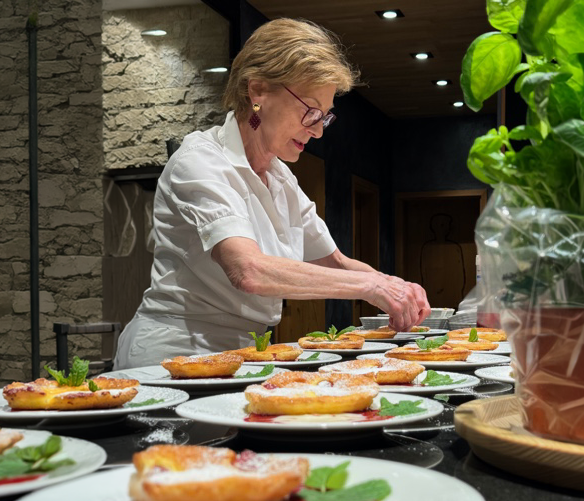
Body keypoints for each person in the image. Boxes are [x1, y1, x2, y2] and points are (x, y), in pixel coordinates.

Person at [113, 18, 430, 369]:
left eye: (323, 117)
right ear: (258, 91)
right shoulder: (200, 160)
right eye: (309, 110)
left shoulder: (282, 179)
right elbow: (249, 270)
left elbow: (334, 261)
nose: (317, 131)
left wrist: (394, 285)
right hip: (172, 354)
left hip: (243, 353)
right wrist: (371, 288)